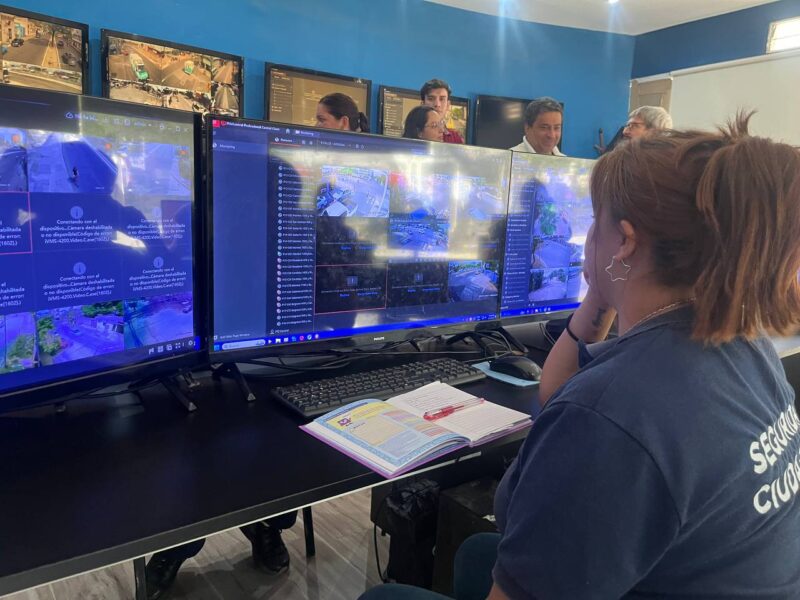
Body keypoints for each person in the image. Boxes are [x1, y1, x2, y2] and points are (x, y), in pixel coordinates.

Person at [359, 115, 800, 599]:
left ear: (626, 240)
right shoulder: (743, 341)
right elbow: (555, 390)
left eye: (595, 222)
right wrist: (605, 285)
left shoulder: (609, 416)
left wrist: (612, 270)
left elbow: (586, 411)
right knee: (477, 552)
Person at [419, 78, 463, 144]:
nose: (437, 104)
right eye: (431, 99)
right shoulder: (412, 135)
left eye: (442, 99)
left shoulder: (456, 138)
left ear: (448, 105)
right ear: (423, 104)